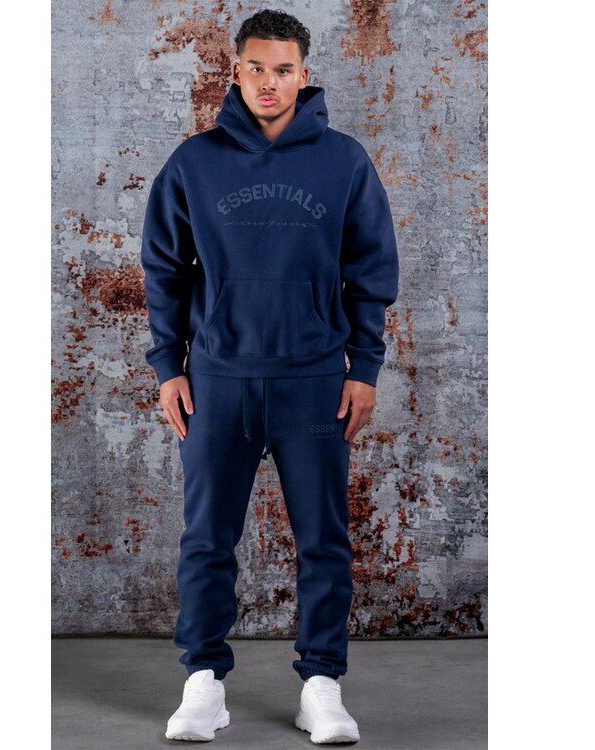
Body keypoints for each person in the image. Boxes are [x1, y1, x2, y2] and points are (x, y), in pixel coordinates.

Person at [140, 8, 399, 744]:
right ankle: (203, 683)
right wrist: (168, 366)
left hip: (314, 378)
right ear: (237, 70)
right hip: (216, 378)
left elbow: (370, 271)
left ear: (303, 75)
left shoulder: (344, 161)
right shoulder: (195, 162)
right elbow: (164, 269)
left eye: (283, 70)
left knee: (323, 538)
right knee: (206, 537)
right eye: (255, 67)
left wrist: (364, 367)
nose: (268, 82)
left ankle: (321, 685)